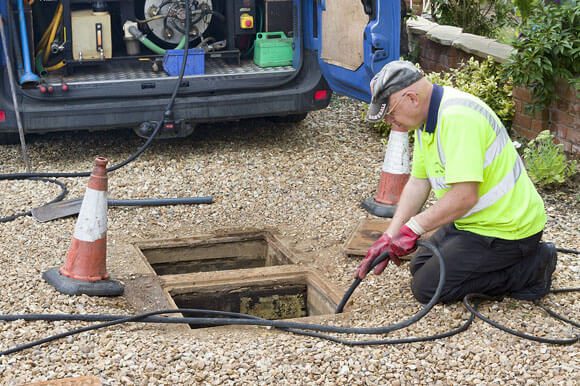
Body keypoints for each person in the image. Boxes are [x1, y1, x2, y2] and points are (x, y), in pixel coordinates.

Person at [355, 60, 556, 303]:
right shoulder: (426, 121)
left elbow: (464, 197)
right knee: (420, 265)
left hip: (507, 230)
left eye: (390, 113)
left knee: (427, 288)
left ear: (412, 98)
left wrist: (414, 228)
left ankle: (532, 268)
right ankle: (507, 264)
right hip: (473, 222)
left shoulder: (458, 118)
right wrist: (392, 234)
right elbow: (419, 183)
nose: (390, 121)